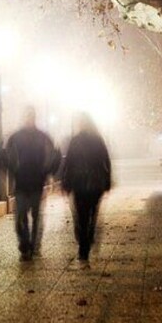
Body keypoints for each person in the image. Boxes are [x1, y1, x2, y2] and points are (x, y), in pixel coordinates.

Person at [6, 106, 57, 261]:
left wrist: (47, 172)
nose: (29, 118)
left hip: (36, 183)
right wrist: (14, 170)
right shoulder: (16, 137)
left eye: (31, 116)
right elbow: (6, 155)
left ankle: (32, 246)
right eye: (27, 116)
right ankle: (25, 244)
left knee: (36, 217)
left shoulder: (42, 137)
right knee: (21, 217)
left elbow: (54, 155)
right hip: (22, 183)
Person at [61, 112, 112, 263]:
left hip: (81, 184)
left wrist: (66, 183)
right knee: (90, 214)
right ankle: (87, 240)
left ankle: (84, 247)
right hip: (94, 184)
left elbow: (68, 163)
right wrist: (107, 181)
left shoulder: (76, 141)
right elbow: (106, 161)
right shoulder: (97, 140)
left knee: (81, 216)